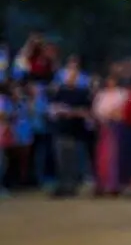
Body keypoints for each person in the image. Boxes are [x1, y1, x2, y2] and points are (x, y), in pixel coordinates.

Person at [49, 69, 91, 197]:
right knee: (61, 162)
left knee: (73, 162)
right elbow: (53, 109)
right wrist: (64, 111)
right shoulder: (59, 92)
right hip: (61, 131)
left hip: (76, 133)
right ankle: (63, 186)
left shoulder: (82, 93)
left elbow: (86, 111)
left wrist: (70, 112)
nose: (70, 78)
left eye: (73, 76)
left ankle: (72, 186)